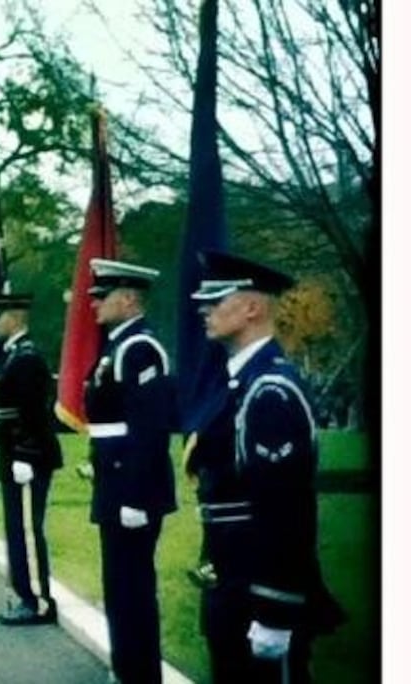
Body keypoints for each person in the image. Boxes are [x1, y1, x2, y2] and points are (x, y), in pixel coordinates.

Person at [185, 250, 342, 683]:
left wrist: (277, 608)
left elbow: (285, 509)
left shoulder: (269, 391)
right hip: (231, 577)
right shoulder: (237, 383)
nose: (203, 310)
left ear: (252, 308)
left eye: (216, 301)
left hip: (259, 587)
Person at [84, 259, 177, 683]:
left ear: (129, 299)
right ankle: (126, 667)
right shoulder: (116, 345)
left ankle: (140, 674)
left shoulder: (141, 349)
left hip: (131, 488)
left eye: (102, 297)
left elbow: (150, 429)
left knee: (134, 588)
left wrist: (136, 497)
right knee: (118, 586)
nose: (94, 305)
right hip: (114, 481)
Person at [0, 293, 63, 624]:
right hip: (14, 454)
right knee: (17, 529)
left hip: (27, 458)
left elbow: (34, 412)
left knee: (28, 530)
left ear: (16, 319)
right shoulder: (14, 355)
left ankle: (38, 601)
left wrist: (24, 454)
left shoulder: (27, 357)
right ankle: (26, 594)